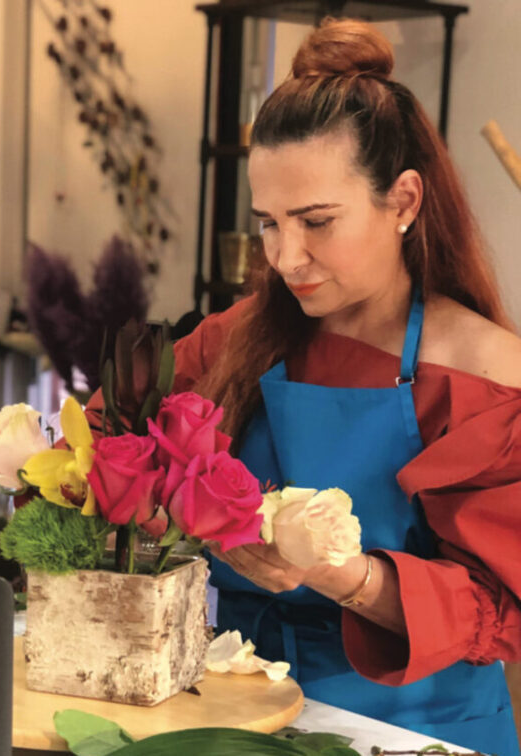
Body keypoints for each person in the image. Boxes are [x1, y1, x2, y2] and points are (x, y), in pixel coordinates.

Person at [168, 18, 520, 755]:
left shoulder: (484, 374)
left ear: (404, 202)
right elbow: (113, 454)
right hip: (229, 707)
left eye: (317, 221)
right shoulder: (235, 339)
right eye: (267, 223)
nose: (287, 257)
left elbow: (500, 605)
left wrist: (346, 576)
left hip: (411, 727)